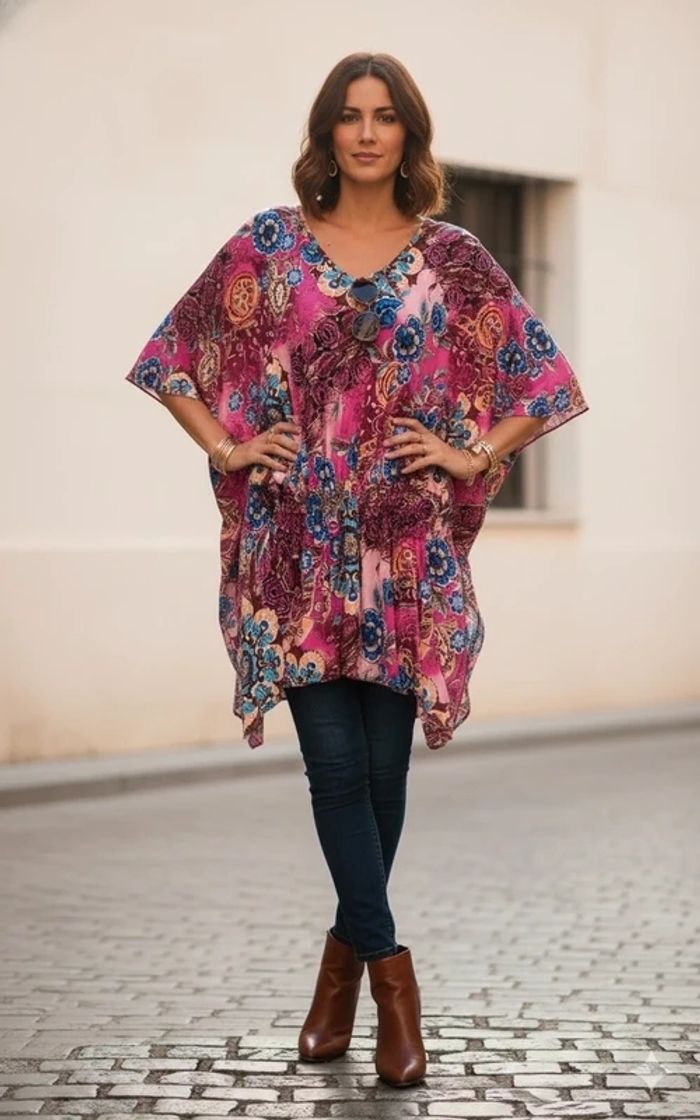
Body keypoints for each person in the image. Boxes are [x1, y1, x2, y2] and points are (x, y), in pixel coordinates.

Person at [124, 52, 589, 1088]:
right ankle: (392, 986)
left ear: (408, 133)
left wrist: (471, 453)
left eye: (385, 116)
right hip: (295, 551)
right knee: (334, 771)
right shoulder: (268, 247)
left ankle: (338, 970)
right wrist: (228, 446)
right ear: (327, 132)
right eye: (350, 115)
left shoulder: (455, 258)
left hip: (406, 555)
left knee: (383, 778)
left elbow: (544, 381)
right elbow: (172, 357)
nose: (368, 133)